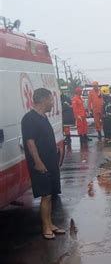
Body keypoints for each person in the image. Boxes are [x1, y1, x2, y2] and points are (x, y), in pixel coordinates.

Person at [21, 88, 65, 240]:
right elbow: (30, 142)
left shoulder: (43, 117)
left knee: (51, 193)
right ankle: (45, 227)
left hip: (51, 162)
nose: (52, 103)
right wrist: (38, 162)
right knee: (45, 195)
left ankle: (50, 224)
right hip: (41, 164)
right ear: (43, 100)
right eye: (50, 100)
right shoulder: (29, 119)